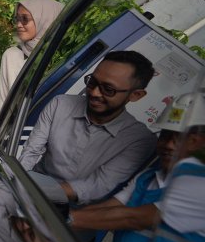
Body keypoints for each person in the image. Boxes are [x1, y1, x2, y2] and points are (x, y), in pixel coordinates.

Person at [68, 93, 203, 242]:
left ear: (196, 141)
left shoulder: (198, 188)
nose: (168, 145)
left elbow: (133, 218)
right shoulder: (148, 177)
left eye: (179, 138)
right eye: (166, 135)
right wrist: (59, 218)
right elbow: (112, 206)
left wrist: (63, 221)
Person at [19, 50, 156, 205]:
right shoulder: (60, 104)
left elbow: (97, 186)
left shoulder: (140, 140)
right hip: (33, 184)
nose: (95, 93)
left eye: (108, 89)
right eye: (92, 82)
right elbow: (31, 151)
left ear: (135, 95)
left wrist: (31, 192)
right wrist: (16, 181)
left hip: (73, 214)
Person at [0, 0, 63, 117]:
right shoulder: (12, 56)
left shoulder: (63, 53)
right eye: (17, 19)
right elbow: (3, 108)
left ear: (45, 19)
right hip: (21, 129)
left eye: (25, 19)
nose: (19, 25)